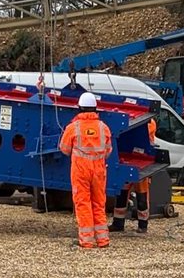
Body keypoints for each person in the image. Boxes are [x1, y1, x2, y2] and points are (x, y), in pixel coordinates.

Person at [59, 91, 113, 249]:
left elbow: (64, 149)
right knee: (98, 203)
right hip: (99, 170)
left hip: (81, 170)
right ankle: (103, 240)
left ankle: (87, 241)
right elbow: (108, 151)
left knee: (83, 203)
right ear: (95, 109)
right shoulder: (104, 128)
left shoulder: (73, 127)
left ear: (80, 108)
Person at [113, 115, 158, 235]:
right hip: (129, 158)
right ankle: (118, 223)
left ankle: (143, 225)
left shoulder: (149, 123)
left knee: (141, 196)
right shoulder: (137, 121)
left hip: (143, 160)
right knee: (122, 194)